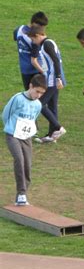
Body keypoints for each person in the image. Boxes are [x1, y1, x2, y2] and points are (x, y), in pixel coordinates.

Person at [2, 74, 47, 206]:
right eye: (37, 91)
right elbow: (5, 114)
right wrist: (10, 128)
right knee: (19, 160)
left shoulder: (38, 105)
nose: (38, 95)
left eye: (42, 93)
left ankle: (23, 194)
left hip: (26, 137)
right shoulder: (17, 99)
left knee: (27, 163)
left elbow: (33, 118)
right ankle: (21, 193)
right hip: (13, 135)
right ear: (30, 86)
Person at [28, 26, 67, 144]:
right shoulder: (49, 43)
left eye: (33, 40)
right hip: (52, 79)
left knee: (39, 104)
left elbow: (55, 60)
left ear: (38, 36)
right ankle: (51, 135)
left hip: (52, 80)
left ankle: (58, 127)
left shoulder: (46, 44)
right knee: (52, 106)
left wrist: (58, 78)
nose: (34, 42)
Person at [14, 12, 49, 90]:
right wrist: (44, 72)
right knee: (39, 96)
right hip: (36, 70)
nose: (42, 29)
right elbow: (34, 59)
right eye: (41, 26)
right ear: (33, 23)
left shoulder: (19, 29)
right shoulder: (35, 39)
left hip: (24, 69)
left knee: (29, 94)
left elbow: (15, 38)